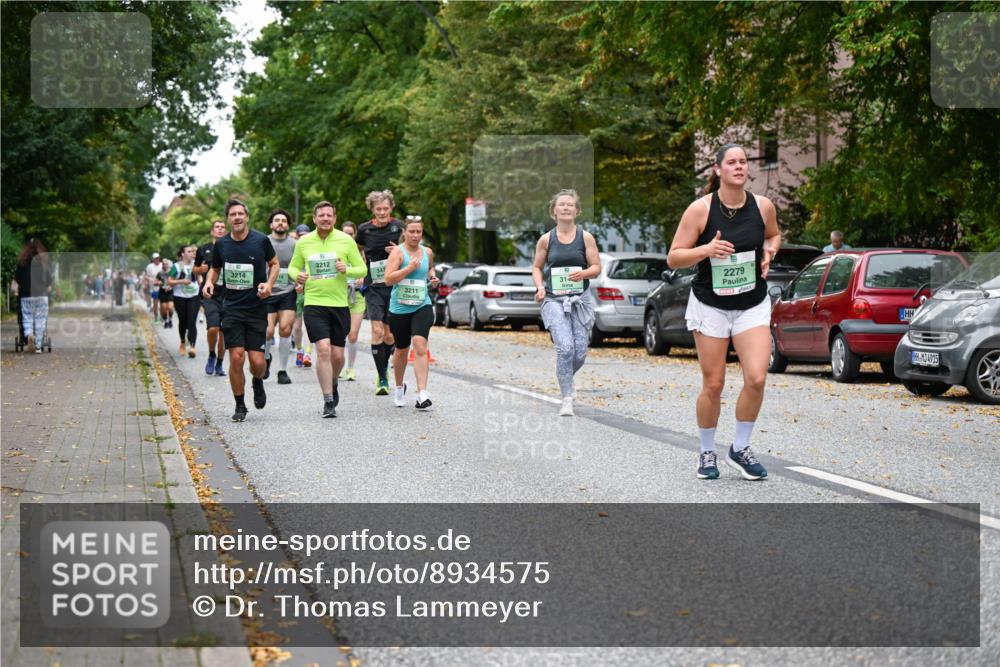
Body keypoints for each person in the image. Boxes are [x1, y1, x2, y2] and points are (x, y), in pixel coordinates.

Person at [667, 143, 781, 481]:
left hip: (751, 304)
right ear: (718, 169)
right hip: (710, 305)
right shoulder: (700, 210)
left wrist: (769, 251)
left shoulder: (763, 206)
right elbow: (674, 257)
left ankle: (740, 448)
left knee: (756, 377)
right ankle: (706, 452)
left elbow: (774, 235)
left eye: (743, 161)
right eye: (732, 162)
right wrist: (706, 249)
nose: (739, 166)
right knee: (714, 383)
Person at [288, 201, 366, 418]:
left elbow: (362, 269)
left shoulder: (346, 240)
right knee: (323, 349)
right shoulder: (304, 242)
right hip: (314, 303)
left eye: (329, 215)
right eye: (321, 215)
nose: (325, 218)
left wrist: (347, 269)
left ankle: (333, 381)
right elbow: (293, 267)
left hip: (339, 305)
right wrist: (297, 275)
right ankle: (328, 400)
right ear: (314, 219)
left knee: (337, 356)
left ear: (334, 218)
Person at [203, 199, 279, 422]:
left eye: (240, 214)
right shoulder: (222, 244)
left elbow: (274, 264)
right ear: (228, 219)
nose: (237, 217)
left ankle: (257, 380)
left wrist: (269, 285)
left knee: (257, 363)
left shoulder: (261, 240)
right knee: (236, 358)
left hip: (256, 307)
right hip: (232, 308)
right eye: (232, 214)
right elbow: (215, 268)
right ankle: (240, 404)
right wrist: (209, 282)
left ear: (247, 217)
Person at [531, 190, 602, 417]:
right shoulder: (546, 239)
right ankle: (567, 398)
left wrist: (584, 274)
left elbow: (596, 267)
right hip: (553, 299)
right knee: (565, 348)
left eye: (570, 205)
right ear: (554, 211)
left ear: (577, 211)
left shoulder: (586, 237)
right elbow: (537, 267)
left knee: (579, 352)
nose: (565, 208)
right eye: (561, 204)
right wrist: (540, 287)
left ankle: (567, 379)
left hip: (579, 300)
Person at [384, 216, 439, 409]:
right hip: (399, 308)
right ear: (404, 233)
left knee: (420, 344)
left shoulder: (427, 252)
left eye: (419, 232)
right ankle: (399, 388)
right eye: (412, 231)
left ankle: (422, 393)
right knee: (401, 350)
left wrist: (433, 277)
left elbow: (429, 268)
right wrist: (408, 268)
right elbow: (388, 279)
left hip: (422, 304)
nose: (415, 235)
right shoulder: (398, 253)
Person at [355, 190, 405, 395]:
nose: (382, 212)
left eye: (385, 208)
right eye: (378, 209)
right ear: (372, 210)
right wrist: (360, 268)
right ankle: (382, 377)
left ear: (391, 208)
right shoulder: (364, 229)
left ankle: (387, 363)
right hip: (374, 286)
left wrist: (398, 252)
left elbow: (412, 249)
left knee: (390, 335)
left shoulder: (399, 227)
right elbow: (356, 249)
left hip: (394, 286)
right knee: (377, 331)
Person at [264, 209, 297, 384]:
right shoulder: (264, 242)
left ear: (288, 225)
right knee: (268, 331)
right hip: (267, 291)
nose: (280, 223)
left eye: (284, 220)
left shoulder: (294, 244)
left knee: (285, 328)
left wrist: (300, 281)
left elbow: (300, 265)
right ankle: (266, 358)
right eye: (277, 220)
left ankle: (282, 371)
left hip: (288, 291)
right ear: (271, 224)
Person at [195, 220, 228, 376]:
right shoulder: (204, 249)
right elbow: (195, 268)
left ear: (225, 231)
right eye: (217, 227)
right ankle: (211, 354)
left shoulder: (231, 248)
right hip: (210, 294)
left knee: (224, 332)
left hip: (228, 294)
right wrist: (200, 269)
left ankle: (220, 363)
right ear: (212, 231)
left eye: (222, 227)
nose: (220, 229)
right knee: (213, 328)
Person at [13, 238, 53, 354]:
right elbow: (49, 285)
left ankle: (29, 334)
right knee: (40, 320)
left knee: (27, 318)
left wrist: (16, 291)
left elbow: (16, 282)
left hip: (26, 296)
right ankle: (38, 347)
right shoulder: (43, 263)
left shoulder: (22, 263)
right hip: (41, 296)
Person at [339, 221, 365, 381]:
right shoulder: (336, 249)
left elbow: (366, 270)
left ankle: (350, 368)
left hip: (357, 296)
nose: (348, 236)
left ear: (355, 235)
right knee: (339, 334)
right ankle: (338, 366)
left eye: (350, 233)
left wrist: (363, 278)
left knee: (353, 335)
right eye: (345, 233)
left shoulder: (361, 251)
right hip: (339, 295)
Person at [168, 244, 200, 357]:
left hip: (194, 296)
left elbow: (199, 277)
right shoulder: (176, 266)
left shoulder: (196, 265)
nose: (191, 253)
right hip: (179, 297)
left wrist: (202, 283)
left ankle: (192, 347)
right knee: (183, 321)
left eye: (192, 251)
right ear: (182, 254)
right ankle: (182, 342)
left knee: (192, 321)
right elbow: (170, 281)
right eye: (189, 251)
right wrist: (182, 281)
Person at [291, 223, 313, 368]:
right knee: (297, 327)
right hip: (296, 292)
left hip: (311, 291)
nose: (303, 237)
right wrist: (295, 283)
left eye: (306, 235)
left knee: (309, 325)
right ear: (297, 236)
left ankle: (308, 354)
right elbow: (289, 269)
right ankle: (300, 350)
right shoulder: (293, 249)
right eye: (301, 235)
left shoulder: (313, 248)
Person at [144, 253, 162, 320]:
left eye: (158, 258)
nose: (157, 259)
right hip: (154, 287)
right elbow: (146, 276)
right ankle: (156, 318)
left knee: (162, 303)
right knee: (155, 303)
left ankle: (162, 317)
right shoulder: (150, 266)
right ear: (153, 259)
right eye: (156, 258)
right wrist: (150, 280)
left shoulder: (162, 265)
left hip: (162, 286)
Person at [157, 259, 174, 327]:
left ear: (168, 265)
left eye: (166, 264)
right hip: (162, 291)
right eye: (164, 264)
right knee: (164, 308)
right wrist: (158, 282)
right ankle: (166, 320)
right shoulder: (160, 273)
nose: (165, 265)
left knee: (170, 307)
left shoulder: (171, 272)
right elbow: (155, 281)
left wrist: (171, 286)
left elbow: (175, 280)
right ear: (162, 265)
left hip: (170, 291)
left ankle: (170, 319)